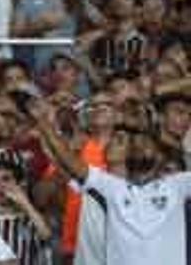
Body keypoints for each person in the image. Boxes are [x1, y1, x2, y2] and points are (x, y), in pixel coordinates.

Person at [30, 94, 191, 264]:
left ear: (160, 157)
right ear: (130, 154)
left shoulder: (178, 185)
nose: (142, 148)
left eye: (147, 144)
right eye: (137, 145)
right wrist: (44, 123)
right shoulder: (111, 187)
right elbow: (68, 160)